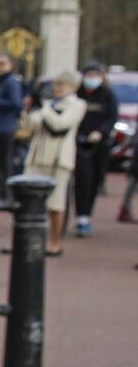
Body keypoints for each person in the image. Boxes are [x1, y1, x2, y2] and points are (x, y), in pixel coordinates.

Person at [23, 69, 85, 255]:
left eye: (61, 85)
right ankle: (29, 239)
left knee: (56, 203)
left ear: (72, 87)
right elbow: (30, 124)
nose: (57, 88)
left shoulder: (77, 105)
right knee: (29, 200)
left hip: (59, 159)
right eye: (56, 85)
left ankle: (55, 242)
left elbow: (61, 124)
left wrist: (45, 111)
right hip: (38, 156)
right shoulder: (48, 104)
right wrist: (31, 109)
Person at [72, 62, 118, 237]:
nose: (92, 79)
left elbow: (112, 116)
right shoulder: (78, 95)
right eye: (89, 75)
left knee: (95, 181)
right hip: (80, 144)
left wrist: (101, 132)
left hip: (100, 145)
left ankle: (88, 214)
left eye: (95, 75)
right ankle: (81, 216)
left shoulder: (107, 95)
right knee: (83, 179)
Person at [0, 52, 26, 201]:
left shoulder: (11, 81)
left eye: (2, 64)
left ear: (10, 65)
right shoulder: (2, 81)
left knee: (5, 161)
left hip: (6, 126)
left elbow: (16, 104)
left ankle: (6, 193)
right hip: (0, 126)